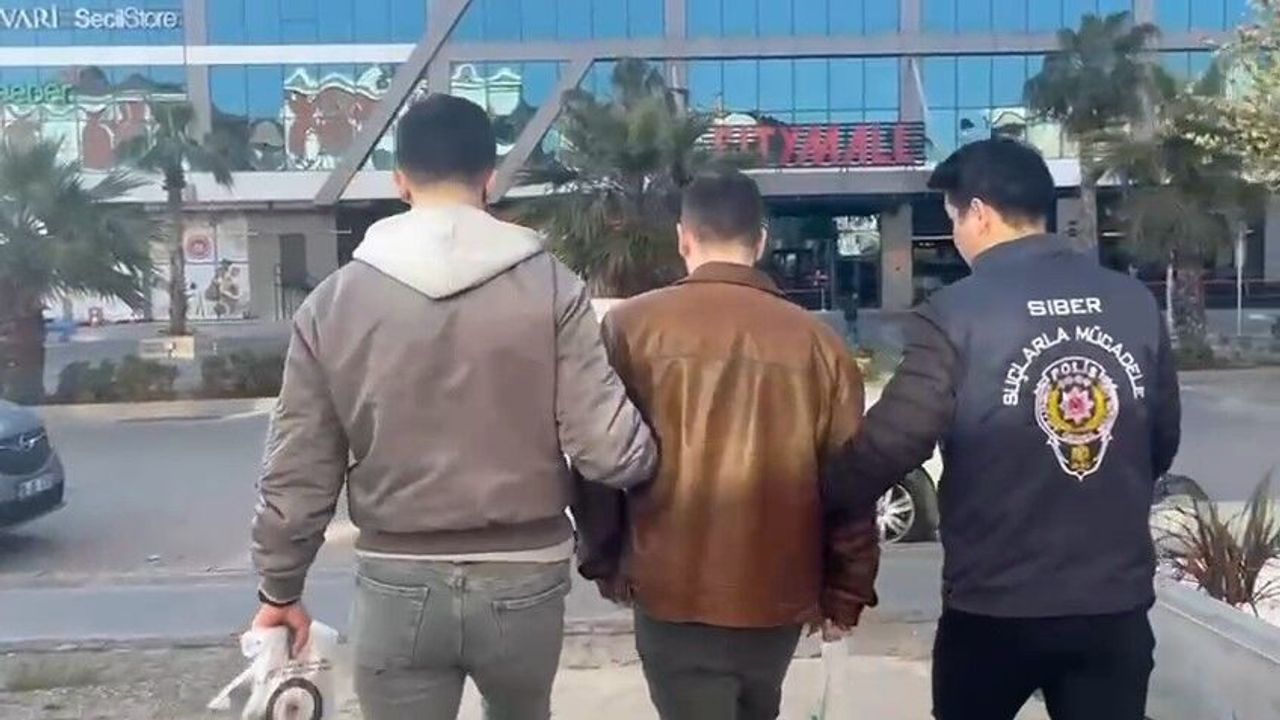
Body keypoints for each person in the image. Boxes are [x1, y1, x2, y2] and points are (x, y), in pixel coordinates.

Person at [249, 94, 658, 720]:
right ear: (490, 179)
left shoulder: (335, 301)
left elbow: (299, 467)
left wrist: (280, 588)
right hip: (525, 576)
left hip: (396, 577)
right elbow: (610, 451)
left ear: (400, 181)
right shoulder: (553, 286)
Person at [826, 138, 1181, 720]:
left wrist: (821, 491)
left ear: (980, 213)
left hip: (995, 606)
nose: (955, 236)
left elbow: (892, 443)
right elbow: (1160, 440)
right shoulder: (1133, 302)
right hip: (1111, 604)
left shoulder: (954, 313)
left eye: (953, 220)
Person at [574, 168, 880, 720]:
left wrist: (603, 560)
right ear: (761, 241)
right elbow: (850, 483)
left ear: (683, 237)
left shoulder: (628, 329)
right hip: (777, 597)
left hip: (669, 590)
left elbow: (598, 459)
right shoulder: (821, 344)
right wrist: (846, 590)